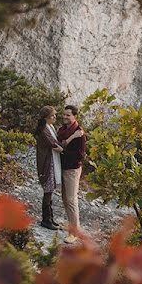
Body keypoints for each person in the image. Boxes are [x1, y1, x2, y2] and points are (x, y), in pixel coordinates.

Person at [57, 104, 86, 244]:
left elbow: (79, 155)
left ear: (75, 116)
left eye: (68, 115)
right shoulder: (62, 130)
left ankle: (74, 233)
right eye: (64, 114)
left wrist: (62, 151)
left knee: (71, 200)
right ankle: (72, 228)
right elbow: (59, 142)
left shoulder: (80, 134)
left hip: (72, 169)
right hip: (62, 167)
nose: (65, 117)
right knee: (65, 199)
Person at [34, 105, 63, 230]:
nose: (55, 117)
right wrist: (64, 149)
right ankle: (46, 220)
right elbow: (53, 143)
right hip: (47, 163)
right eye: (53, 115)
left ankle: (50, 218)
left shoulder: (49, 127)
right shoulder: (44, 129)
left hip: (50, 161)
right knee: (48, 191)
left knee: (49, 191)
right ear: (46, 117)